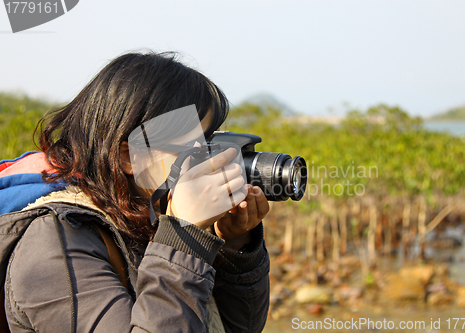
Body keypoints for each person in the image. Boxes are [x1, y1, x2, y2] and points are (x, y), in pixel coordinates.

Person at [0, 52, 270, 332]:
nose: (207, 158)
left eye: (209, 142)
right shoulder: (56, 241)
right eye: (190, 145)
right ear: (129, 157)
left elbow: (238, 327)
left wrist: (235, 247)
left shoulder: (144, 217)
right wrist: (183, 237)